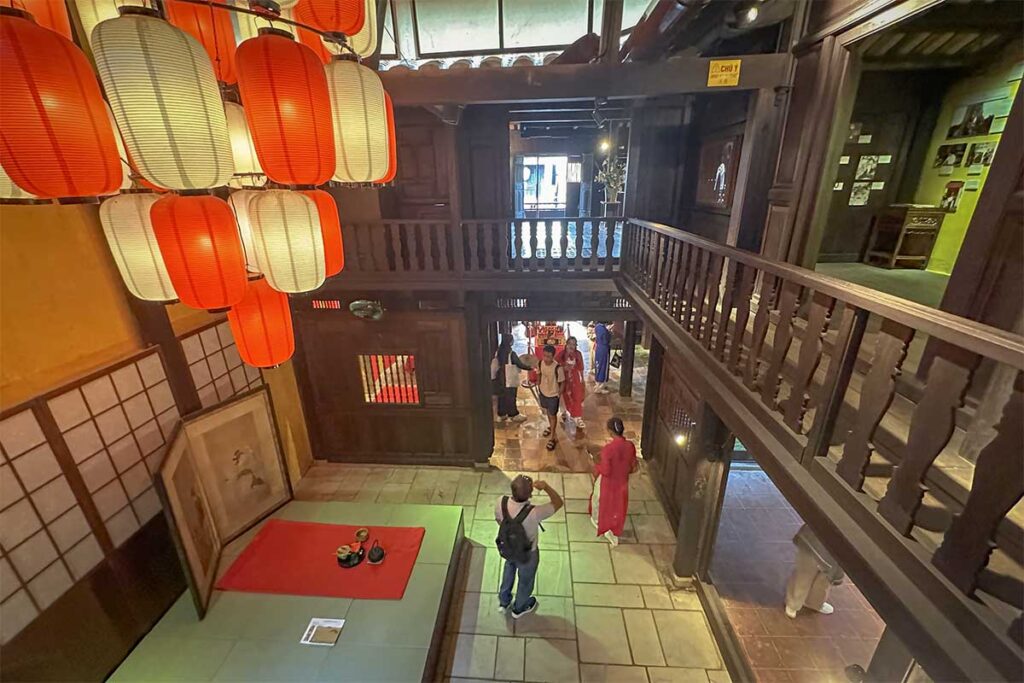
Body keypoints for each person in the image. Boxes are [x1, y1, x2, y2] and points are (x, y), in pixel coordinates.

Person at [495, 475, 563, 618]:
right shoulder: (535, 512)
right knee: (525, 580)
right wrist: (546, 487)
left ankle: (503, 601)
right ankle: (519, 607)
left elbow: (499, 520)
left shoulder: (501, 501)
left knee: (509, 568)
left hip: (508, 547)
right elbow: (558, 502)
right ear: (530, 494)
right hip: (527, 553)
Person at [589, 417, 638, 546]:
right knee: (618, 506)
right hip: (622, 482)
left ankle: (599, 522)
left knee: (598, 500)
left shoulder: (608, 450)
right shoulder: (630, 446)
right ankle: (614, 528)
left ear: (610, 432)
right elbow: (632, 464)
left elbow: (605, 470)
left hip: (608, 482)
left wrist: (596, 465)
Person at [785, 523, 844, 618]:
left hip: (840, 544)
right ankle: (793, 603)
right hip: (817, 535)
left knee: (826, 578)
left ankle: (815, 603)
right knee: (804, 573)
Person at [491, 335, 533, 423]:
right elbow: (519, 364)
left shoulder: (499, 351)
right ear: (510, 342)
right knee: (511, 396)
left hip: (500, 378)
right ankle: (513, 414)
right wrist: (530, 367)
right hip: (509, 378)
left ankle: (502, 414)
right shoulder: (511, 353)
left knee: (502, 397)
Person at [536, 344, 564, 451]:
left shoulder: (558, 368)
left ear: (553, 356)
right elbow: (539, 373)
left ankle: (552, 437)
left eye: (549, 356)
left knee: (552, 415)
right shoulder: (540, 363)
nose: (546, 359)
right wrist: (538, 382)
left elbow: (562, 382)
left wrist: (559, 394)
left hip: (553, 395)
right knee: (548, 412)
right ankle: (552, 428)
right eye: (544, 356)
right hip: (543, 392)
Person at [556, 336, 586, 428]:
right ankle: (563, 412)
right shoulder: (561, 354)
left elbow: (581, 367)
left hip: (575, 379)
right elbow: (555, 366)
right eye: (570, 344)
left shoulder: (578, 354)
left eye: (574, 344)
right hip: (563, 379)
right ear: (566, 344)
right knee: (563, 395)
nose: (571, 346)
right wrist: (562, 368)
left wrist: (583, 380)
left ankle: (577, 417)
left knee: (577, 396)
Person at [593, 322, 612, 393]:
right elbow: (606, 340)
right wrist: (609, 332)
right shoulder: (603, 329)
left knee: (598, 365)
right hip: (604, 348)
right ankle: (600, 386)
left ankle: (598, 383)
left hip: (599, 348)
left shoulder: (597, 326)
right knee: (603, 366)